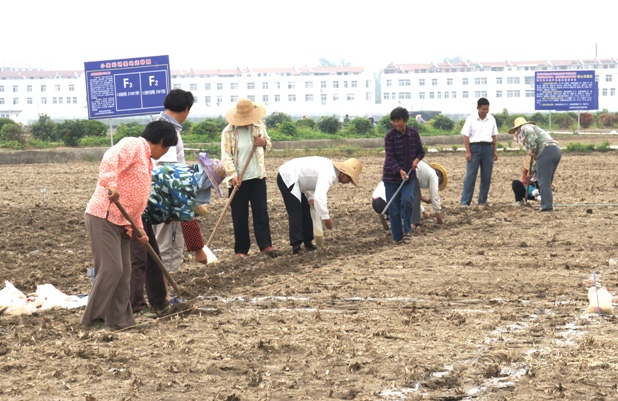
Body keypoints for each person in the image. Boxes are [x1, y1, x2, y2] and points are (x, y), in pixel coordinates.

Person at [81, 120, 178, 330]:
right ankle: (92, 319)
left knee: (124, 273)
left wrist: (139, 229)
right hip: (104, 215)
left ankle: (120, 321)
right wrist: (111, 185)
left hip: (124, 221)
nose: (166, 152)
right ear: (161, 141)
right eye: (167, 147)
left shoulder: (147, 161)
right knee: (111, 268)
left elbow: (135, 201)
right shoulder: (133, 145)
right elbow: (110, 158)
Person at [130, 154, 226, 316]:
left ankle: (160, 303)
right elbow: (188, 222)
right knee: (138, 260)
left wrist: (169, 214)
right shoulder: (188, 183)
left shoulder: (184, 171)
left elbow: (170, 199)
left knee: (154, 260)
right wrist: (199, 251)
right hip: (137, 211)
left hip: (143, 213)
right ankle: (136, 307)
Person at [152, 89, 208, 272]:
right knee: (169, 247)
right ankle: (165, 286)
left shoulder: (158, 125)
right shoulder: (168, 131)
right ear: (186, 109)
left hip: (155, 197)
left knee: (158, 246)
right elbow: (167, 171)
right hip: (168, 199)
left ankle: (158, 285)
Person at [221, 98, 274, 257]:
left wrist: (263, 142)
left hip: (258, 176)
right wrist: (232, 175)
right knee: (239, 215)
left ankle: (265, 245)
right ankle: (241, 250)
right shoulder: (228, 132)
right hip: (239, 180)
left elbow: (268, 144)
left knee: (261, 212)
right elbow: (226, 156)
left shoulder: (258, 126)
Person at [277, 156, 362, 255]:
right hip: (287, 176)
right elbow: (320, 195)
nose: (348, 182)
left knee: (306, 210)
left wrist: (310, 197)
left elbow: (309, 180)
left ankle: (308, 242)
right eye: (349, 179)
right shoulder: (329, 173)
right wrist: (326, 218)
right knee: (296, 211)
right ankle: (296, 246)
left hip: (295, 177)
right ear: (344, 173)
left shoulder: (330, 170)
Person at [382, 106, 425, 243]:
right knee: (394, 208)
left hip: (409, 177)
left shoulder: (413, 134)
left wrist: (416, 160)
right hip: (391, 177)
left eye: (398, 121)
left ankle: (407, 231)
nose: (395, 124)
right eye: (393, 121)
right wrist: (399, 170)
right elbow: (390, 157)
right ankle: (397, 237)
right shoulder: (390, 136)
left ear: (405, 120)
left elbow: (421, 152)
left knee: (407, 200)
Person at [509, 117, 561, 211]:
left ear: (517, 128)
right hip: (555, 151)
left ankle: (546, 206)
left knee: (544, 181)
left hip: (546, 151)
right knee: (547, 180)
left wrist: (532, 148)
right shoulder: (532, 128)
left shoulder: (525, 128)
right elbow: (537, 163)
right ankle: (546, 203)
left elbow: (530, 134)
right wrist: (532, 170)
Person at [460, 97, 499, 206]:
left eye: (487, 109)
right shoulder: (471, 119)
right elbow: (466, 136)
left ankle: (482, 201)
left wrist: (494, 150)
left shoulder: (491, 119)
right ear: (478, 108)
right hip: (474, 148)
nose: (485, 111)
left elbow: (494, 136)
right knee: (470, 176)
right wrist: (468, 152)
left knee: (486, 176)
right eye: (483, 109)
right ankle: (465, 202)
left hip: (488, 149)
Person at [411, 161, 447, 228]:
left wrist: (425, 200)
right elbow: (434, 196)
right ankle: (414, 223)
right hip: (413, 171)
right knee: (415, 197)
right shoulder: (434, 176)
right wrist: (439, 218)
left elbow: (415, 192)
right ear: (439, 176)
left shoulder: (426, 171)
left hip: (409, 168)